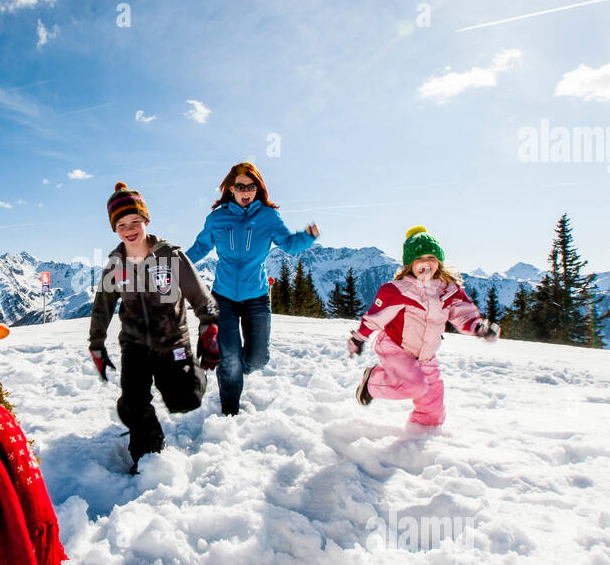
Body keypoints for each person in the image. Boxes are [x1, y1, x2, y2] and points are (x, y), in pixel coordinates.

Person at [89, 182, 221, 470]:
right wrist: (96, 343)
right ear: (115, 229)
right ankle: (148, 456)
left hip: (172, 342)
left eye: (135, 221)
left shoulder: (170, 257)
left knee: (185, 400)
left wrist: (209, 327)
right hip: (134, 345)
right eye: (122, 224)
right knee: (133, 404)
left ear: (146, 221)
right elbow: (103, 307)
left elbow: (201, 295)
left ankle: (190, 379)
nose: (129, 228)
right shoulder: (115, 265)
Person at [186, 162, 320, 416]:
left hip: (256, 297)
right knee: (230, 359)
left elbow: (289, 244)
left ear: (258, 188)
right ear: (231, 189)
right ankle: (229, 412)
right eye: (240, 186)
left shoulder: (268, 217)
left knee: (258, 359)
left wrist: (307, 236)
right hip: (222, 297)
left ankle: (232, 370)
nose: (246, 191)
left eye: (251, 186)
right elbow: (200, 248)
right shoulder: (217, 218)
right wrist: (176, 262)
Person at [347, 225, 499, 427]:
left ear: (439, 262)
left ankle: (422, 431)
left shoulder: (449, 290)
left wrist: (478, 327)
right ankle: (372, 382)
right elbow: (376, 317)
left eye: (431, 258)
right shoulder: (398, 290)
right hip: (395, 347)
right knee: (414, 385)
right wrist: (359, 338)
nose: (425, 263)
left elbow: (463, 313)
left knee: (432, 403)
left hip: (426, 354)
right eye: (419, 258)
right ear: (410, 264)